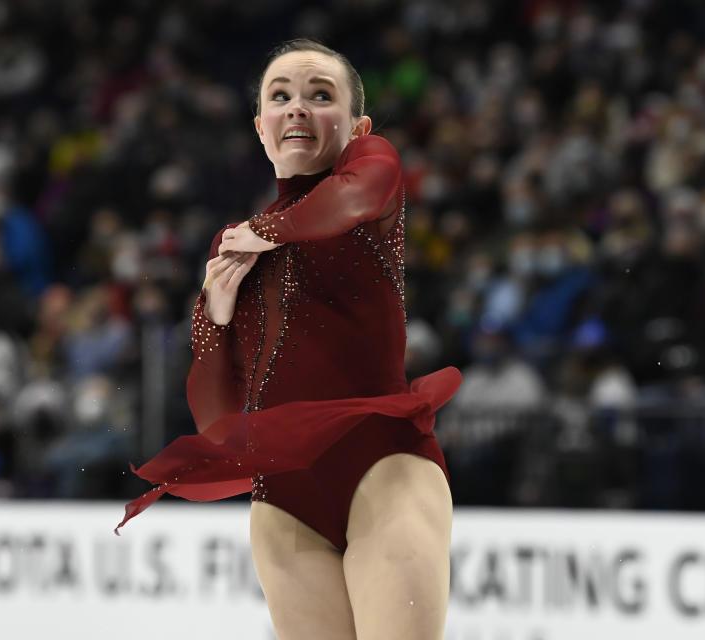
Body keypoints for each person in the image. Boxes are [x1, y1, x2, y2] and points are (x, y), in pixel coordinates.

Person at [116, 39, 460, 640]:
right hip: (284, 502)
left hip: (382, 465)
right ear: (260, 127)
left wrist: (261, 230)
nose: (297, 107)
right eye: (281, 97)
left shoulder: (370, 175)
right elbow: (221, 420)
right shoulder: (237, 248)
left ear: (358, 126)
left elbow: (347, 199)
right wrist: (215, 323)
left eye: (319, 96)